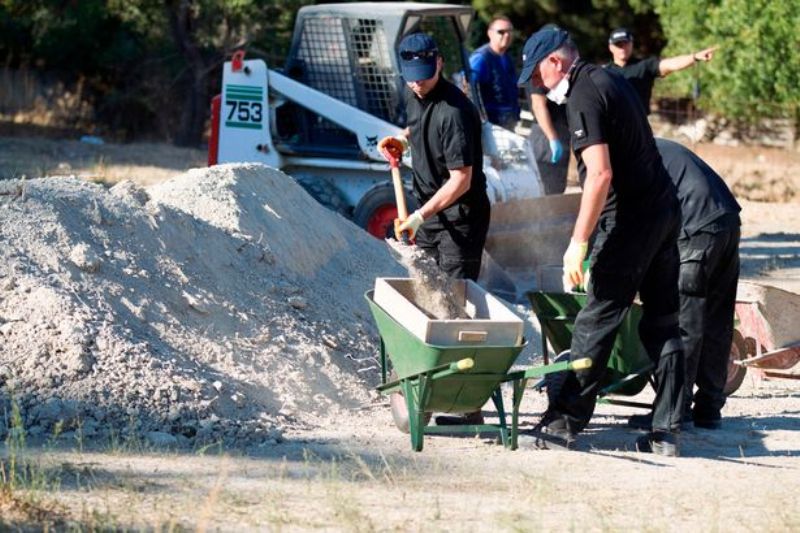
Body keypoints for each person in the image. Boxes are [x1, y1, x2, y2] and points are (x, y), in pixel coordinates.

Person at [517, 29, 686, 456]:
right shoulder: (611, 79)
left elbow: (600, 173)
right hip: (663, 209)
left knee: (597, 319)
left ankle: (562, 423)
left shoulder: (583, 95)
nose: (538, 85)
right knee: (662, 323)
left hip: (631, 220)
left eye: (538, 74)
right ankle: (668, 430)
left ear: (556, 62)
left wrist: (578, 241)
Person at [378, 32, 491, 425]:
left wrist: (420, 216)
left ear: (439, 63)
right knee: (425, 299)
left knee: (455, 307)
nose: (416, 82)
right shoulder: (413, 94)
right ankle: (428, 383)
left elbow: (461, 178)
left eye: (423, 75)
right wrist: (399, 141)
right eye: (410, 75)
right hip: (428, 215)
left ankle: (468, 403)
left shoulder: (456, 112)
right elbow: (416, 128)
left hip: (460, 219)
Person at [627, 138, 741, 431]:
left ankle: (672, 412)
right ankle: (709, 409)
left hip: (697, 228)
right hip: (727, 220)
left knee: (683, 323)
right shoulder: (655, 146)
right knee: (716, 320)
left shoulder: (629, 156)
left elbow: (636, 222)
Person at [606, 27, 717, 114]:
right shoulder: (604, 72)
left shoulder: (644, 66)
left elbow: (671, 64)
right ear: (611, 47)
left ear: (632, 44)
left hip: (640, 127)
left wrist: (694, 57)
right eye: (618, 45)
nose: (622, 48)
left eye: (625, 43)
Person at [527, 24, 570, 195]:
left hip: (562, 133)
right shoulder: (537, 67)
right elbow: (538, 105)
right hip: (545, 136)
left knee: (557, 188)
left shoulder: (558, 67)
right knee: (543, 188)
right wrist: (553, 139)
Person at [469, 16, 520, 130]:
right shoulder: (481, 58)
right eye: (501, 32)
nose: (507, 35)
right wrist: (480, 119)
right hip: (489, 125)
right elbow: (467, 88)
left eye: (510, 32)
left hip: (508, 122)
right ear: (490, 33)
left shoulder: (507, 57)